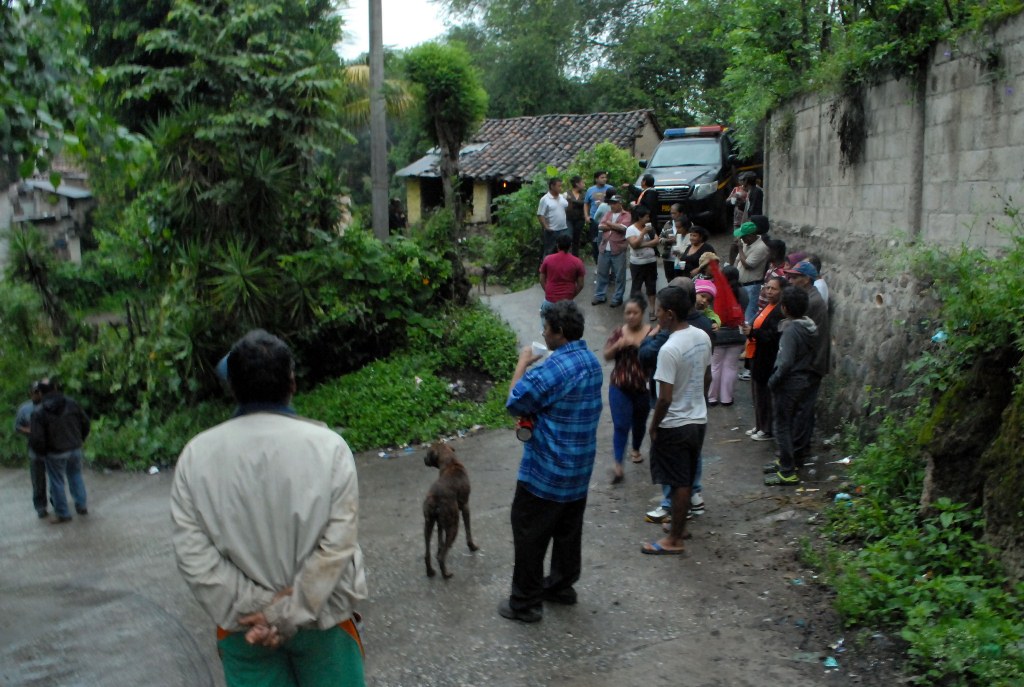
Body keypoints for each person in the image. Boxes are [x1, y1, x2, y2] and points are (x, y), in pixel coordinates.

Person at [171, 330, 367, 685]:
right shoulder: (329, 448)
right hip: (323, 620)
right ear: (291, 382)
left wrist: (262, 612)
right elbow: (337, 547)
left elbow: (193, 557)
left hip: (245, 629)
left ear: (231, 386)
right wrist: (287, 612)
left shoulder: (195, 457)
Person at [500, 301, 602, 622]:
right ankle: (561, 586)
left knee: (529, 532)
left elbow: (515, 402)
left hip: (545, 472)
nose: (543, 333)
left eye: (546, 328)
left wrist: (523, 362)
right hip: (579, 470)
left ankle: (525, 602)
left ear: (558, 333)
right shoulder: (592, 362)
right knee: (568, 532)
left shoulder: (551, 369)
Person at [641, 286, 712, 555]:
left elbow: (664, 398)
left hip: (675, 423)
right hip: (697, 419)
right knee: (687, 474)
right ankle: (678, 528)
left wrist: (654, 424)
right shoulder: (702, 337)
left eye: (658, 310)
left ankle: (675, 539)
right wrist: (700, 403)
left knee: (678, 481)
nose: (656, 315)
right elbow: (707, 377)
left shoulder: (669, 349)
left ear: (669, 314)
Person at [764, 286, 818, 486]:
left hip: (789, 382)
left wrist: (774, 380)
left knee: (782, 426)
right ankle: (786, 462)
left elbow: (785, 362)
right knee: (790, 423)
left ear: (784, 308)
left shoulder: (791, 331)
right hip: (803, 379)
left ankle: (787, 471)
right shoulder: (808, 326)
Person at [783, 260, 831, 464]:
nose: (790, 280)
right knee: (803, 408)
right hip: (811, 361)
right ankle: (800, 447)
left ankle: (798, 450)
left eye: (794, 277)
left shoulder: (810, 302)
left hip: (811, 363)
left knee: (802, 408)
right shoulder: (810, 298)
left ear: (806, 279)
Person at [603, 296, 654, 484]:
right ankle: (618, 465)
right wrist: (618, 345)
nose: (631, 316)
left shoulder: (652, 333)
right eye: (627, 313)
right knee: (621, 425)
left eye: (635, 313)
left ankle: (636, 448)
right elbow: (606, 355)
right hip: (620, 385)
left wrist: (640, 346)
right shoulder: (619, 333)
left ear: (642, 313)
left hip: (643, 387)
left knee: (639, 423)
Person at [30, 378, 90, 524]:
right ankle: (81, 506)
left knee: (57, 482)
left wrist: (42, 452)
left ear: (40, 392)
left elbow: (37, 438)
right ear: (55, 388)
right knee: (76, 476)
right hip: (74, 447)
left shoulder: (39, 411)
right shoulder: (71, 403)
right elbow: (85, 422)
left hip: (55, 452)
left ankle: (63, 513)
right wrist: (79, 439)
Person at [742, 277, 788, 442]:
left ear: (782, 291)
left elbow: (772, 336)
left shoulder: (779, 311)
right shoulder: (767, 306)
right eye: (767, 288)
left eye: (773, 289)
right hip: (756, 354)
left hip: (767, 356)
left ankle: (766, 428)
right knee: (756, 392)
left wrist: (753, 332)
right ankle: (759, 424)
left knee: (764, 394)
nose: (769, 292)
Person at [707, 266, 749, 407]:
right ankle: (726, 398)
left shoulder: (715, 292)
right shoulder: (743, 293)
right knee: (731, 367)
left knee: (715, 366)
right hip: (737, 334)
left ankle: (712, 397)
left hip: (718, 334)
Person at [592, 195, 631, 307]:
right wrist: (614, 226)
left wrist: (608, 224)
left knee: (619, 275)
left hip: (618, 248)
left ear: (620, 203)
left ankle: (617, 298)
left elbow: (623, 228)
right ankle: (599, 296)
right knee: (601, 273)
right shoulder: (608, 214)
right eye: (610, 203)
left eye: (614, 203)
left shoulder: (626, 215)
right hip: (604, 247)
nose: (611, 205)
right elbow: (600, 226)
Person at [15, 380, 47, 518]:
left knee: (55, 478)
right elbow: (17, 426)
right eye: (35, 392)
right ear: (30, 393)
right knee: (37, 480)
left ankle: (56, 502)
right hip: (34, 448)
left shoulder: (49, 406)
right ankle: (40, 506)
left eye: (39, 392)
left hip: (51, 448)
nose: (37, 394)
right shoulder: (24, 409)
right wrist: (31, 430)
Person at [539, 233, 586, 321]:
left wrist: (548, 291)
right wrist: (572, 295)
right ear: (570, 246)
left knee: (547, 325)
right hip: (567, 301)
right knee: (568, 327)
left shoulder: (548, 259)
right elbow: (580, 284)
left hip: (550, 299)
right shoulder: (577, 262)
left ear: (557, 245)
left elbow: (541, 279)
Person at [625, 206, 660, 319]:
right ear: (640, 217)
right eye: (646, 216)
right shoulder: (631, 229)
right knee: (636, 287)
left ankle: (652, 310)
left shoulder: (650, 227)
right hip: (637, 263)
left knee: (651, 286)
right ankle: (635, 311)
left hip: (651, 261)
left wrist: (643, 244)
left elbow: (656, 241)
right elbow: (634, 245)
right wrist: (642, 234)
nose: (648, 218)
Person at [733, 221, 771, 325]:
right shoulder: (747, 243)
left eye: (743, 237)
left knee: (748, 315)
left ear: (750, 236)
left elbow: (747, 264)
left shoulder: (761, 247)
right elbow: (737, 260)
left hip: (752, 286)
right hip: (741, 285)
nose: (741, 239)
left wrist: (740, 248)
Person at [583, 171, 615, 262]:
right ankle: (598, 262)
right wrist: (586, 216)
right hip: (595, 219)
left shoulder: (610, 188)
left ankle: (609, 262)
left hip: (609, 220)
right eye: (602, 177)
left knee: (609, 241)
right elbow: (586, 203)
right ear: (596, 179)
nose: (604, 179)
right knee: (595, 242)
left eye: (605, 177)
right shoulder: (590, 190)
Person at [658, 203, 691, 283]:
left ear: (681, 213)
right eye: (671, 213)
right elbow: (660, 239)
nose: (672, 215)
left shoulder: (689, 224)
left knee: (682, 279)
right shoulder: (667, 224)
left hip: (682, 260)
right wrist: (667, 241)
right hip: (669, 258)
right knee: (670, 280)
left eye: (674, 213)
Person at [537, 177, 570, 257]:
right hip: (552, 230)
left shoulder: (562, 197)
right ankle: (546, 268)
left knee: (563, 252)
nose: (560, 188)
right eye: (559, 186)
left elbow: (566, 208)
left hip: (563, 229)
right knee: (550, 251)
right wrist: (546, 227)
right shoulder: (545, 199)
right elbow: (540, 214)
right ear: (552, 186)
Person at [565, 175, 587, 257]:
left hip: (580, 219)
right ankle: (566, 255)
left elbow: (584, 203)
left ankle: (575, 257)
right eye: (582, 183)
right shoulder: (568, 193)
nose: (584, 185)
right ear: (577, 184)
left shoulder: (584, 194)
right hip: (569, 219)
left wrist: (572, 201)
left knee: (576, 239)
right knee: (568, 236)